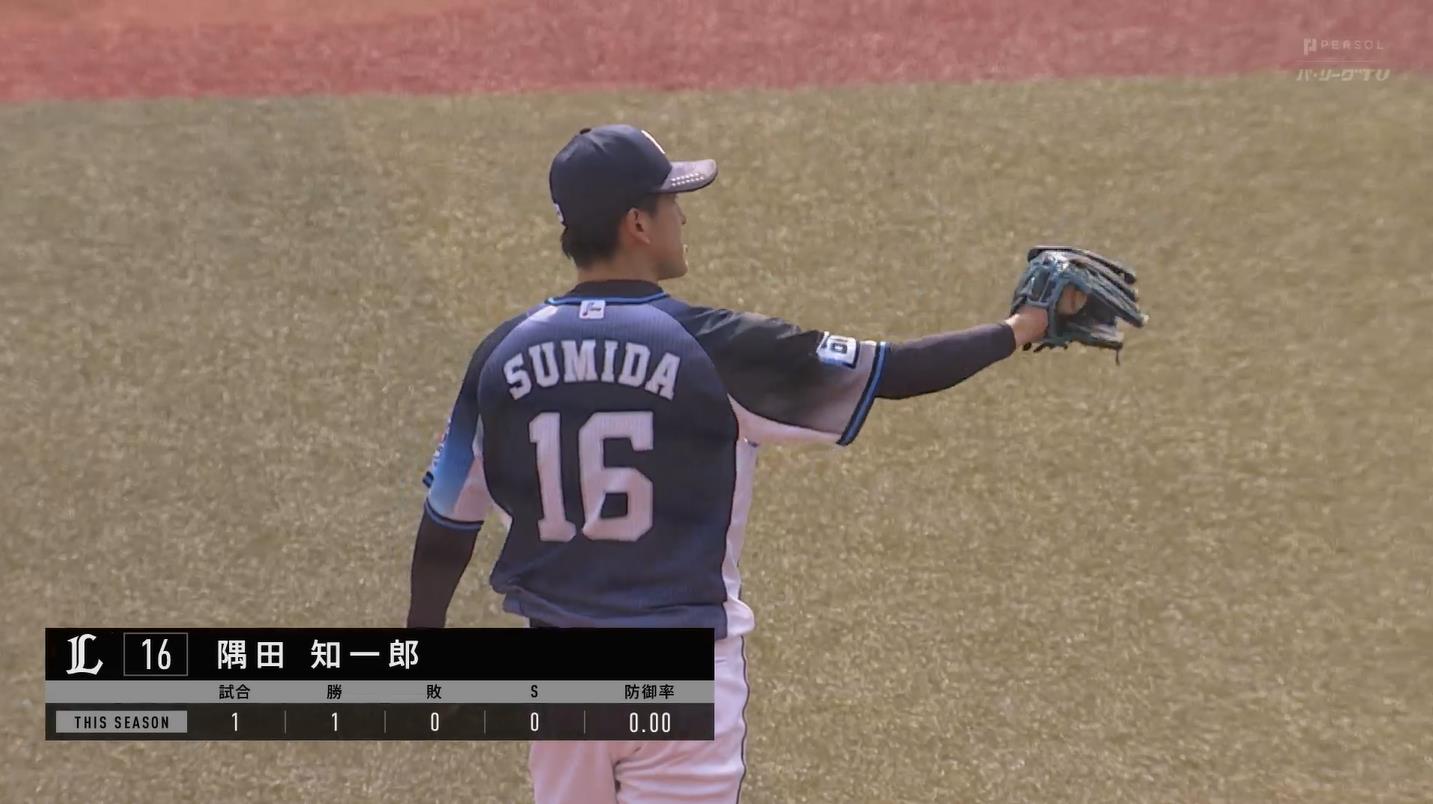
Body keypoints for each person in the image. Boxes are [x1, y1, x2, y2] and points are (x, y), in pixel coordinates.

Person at [405, 124, 1084, 803]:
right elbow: (897, 371)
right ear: (637, 223)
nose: (682, 217)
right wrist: (1023, 325)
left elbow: (445, 526)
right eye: (671, 202)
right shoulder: (715, 348)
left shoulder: (499, 355)